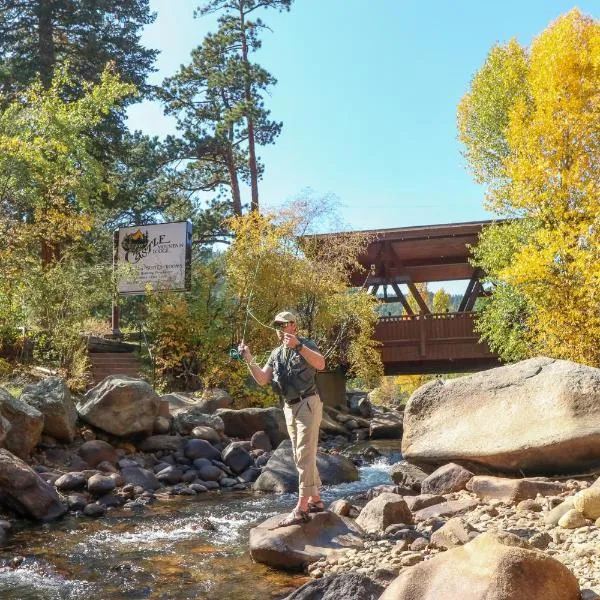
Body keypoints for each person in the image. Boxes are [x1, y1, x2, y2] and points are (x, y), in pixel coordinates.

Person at [238, 310, 326, 527]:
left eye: (283, 325)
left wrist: (298, 346)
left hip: (308, 403)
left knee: (304, 454)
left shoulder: (306, 344)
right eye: (277, 325)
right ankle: (315, 500)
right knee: (300, 455)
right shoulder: (276, 354)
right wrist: (249, 358)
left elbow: (321, 364)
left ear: (294, 326)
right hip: (289, 407)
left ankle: (301, 508)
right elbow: (262, 379)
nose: (279, 329)